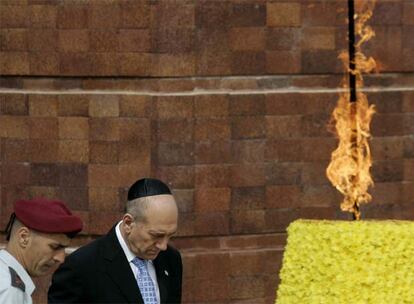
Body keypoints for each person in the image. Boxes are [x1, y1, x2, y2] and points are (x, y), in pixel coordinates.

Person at [48, 177, 182, 304]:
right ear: (128, 223)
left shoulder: (171, 259)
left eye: (170, 236)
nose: (163, 246)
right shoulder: (81, 266)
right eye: (156, 235)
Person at [0, 198, 83, 304]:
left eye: (64, 248)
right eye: (54, 247)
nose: (61, 259)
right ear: (24, 237)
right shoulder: (10, 289)